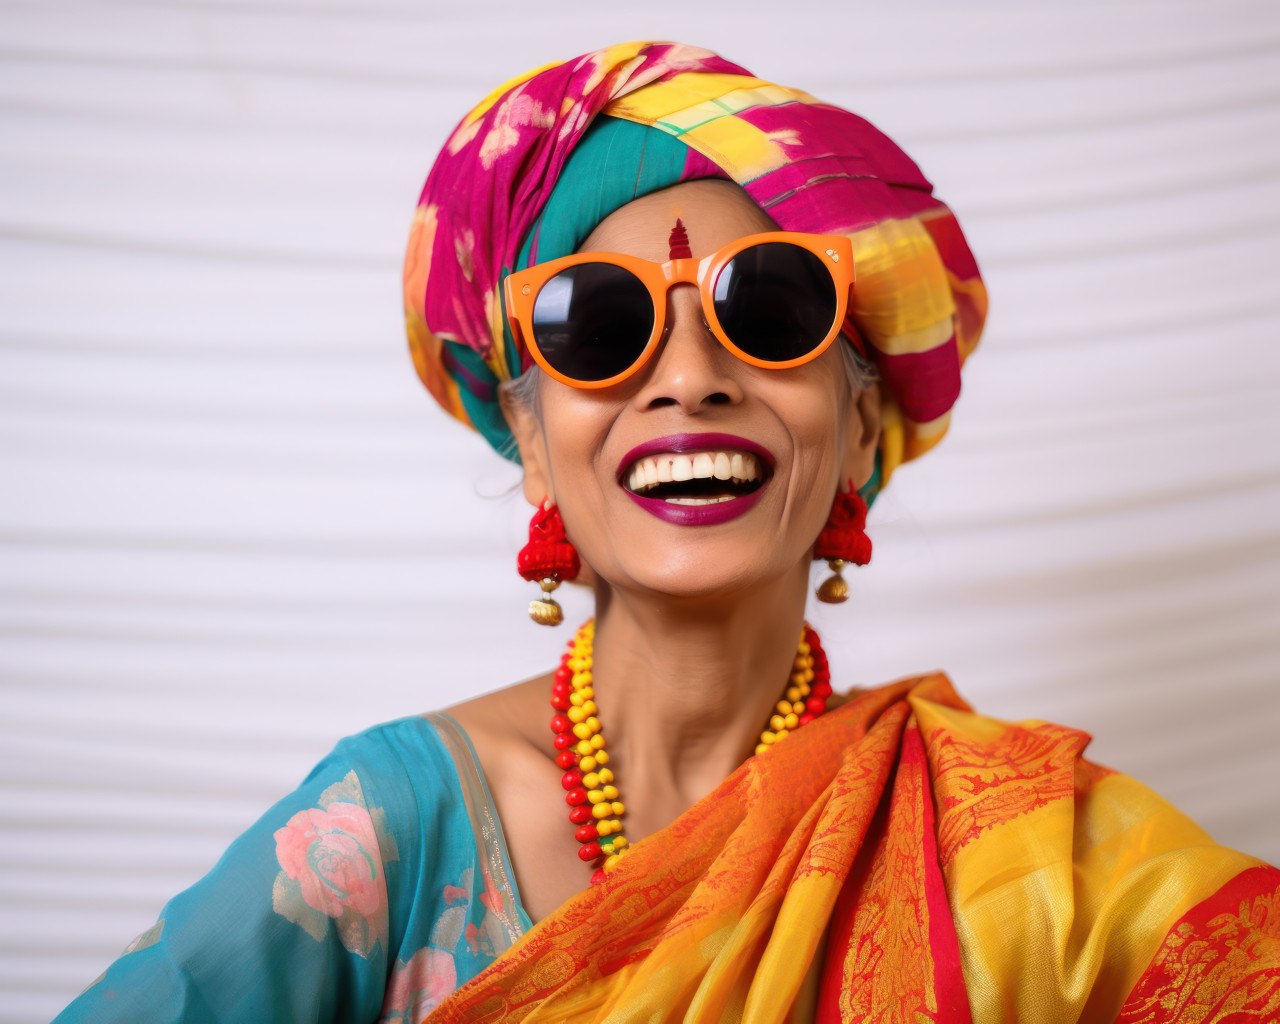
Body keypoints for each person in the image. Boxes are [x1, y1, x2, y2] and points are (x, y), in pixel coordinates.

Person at [56, 41, 1278, 1024]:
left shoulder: (1026, 856)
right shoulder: (392, 830)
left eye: (773, 309)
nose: (688, 377)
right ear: (529, 440)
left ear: (859, 431)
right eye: (599, 326)